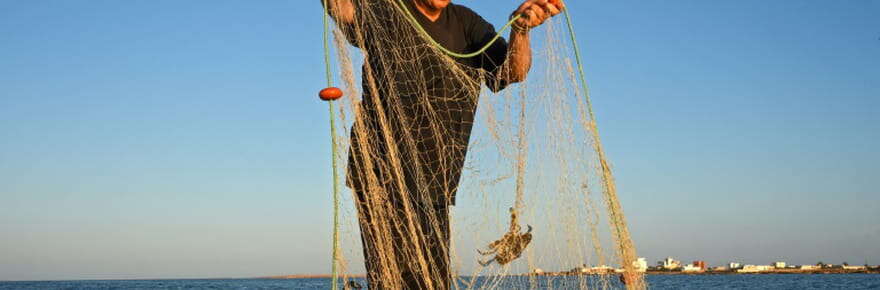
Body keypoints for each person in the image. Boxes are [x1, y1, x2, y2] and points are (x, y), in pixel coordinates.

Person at [321, 0, 563, 289]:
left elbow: (513, 71)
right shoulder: (386, 8)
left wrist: (521, 29)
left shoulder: (467, 23)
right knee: (395, 279)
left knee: (433, 279)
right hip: (380, 174)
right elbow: (343, 9)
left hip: (436, 179)